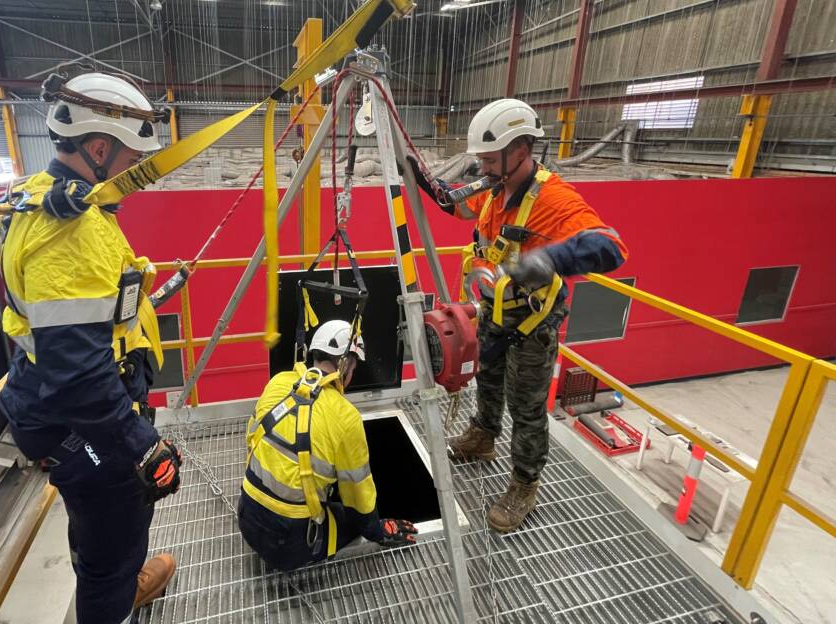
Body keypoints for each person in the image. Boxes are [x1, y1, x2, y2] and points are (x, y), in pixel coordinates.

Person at [0, 71, 183, 624]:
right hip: (84, 418)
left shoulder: (43, 199)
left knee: (107, 523)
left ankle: (123, 585)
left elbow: (85, 320)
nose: (135, 175)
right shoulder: (70, 234)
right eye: (130, 160)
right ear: (99, 148)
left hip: (67, 403)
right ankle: (113, 597)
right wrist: (141, 443)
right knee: (111, 533)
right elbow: (78, 375)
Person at [410, 98, 627, 533]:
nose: (483, 168)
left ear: (522, 150)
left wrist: (549, 260)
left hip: (531, 326)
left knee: (527, 409)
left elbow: (611, 246)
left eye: (490, 160)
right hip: (493, 313)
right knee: (488, 380)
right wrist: (412, 168)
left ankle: (524, 485)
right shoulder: (494, 189)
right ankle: (483, 437)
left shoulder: (554, 199)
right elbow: (453, 203)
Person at [238, 320, 418, 570]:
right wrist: (378, 531)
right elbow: (359, 499)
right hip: (288, 545)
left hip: (247, 517)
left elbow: (253, 440)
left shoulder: (278, 382)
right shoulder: (345, 417)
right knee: (351, 517)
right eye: (353, 366)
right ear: (344, 365)